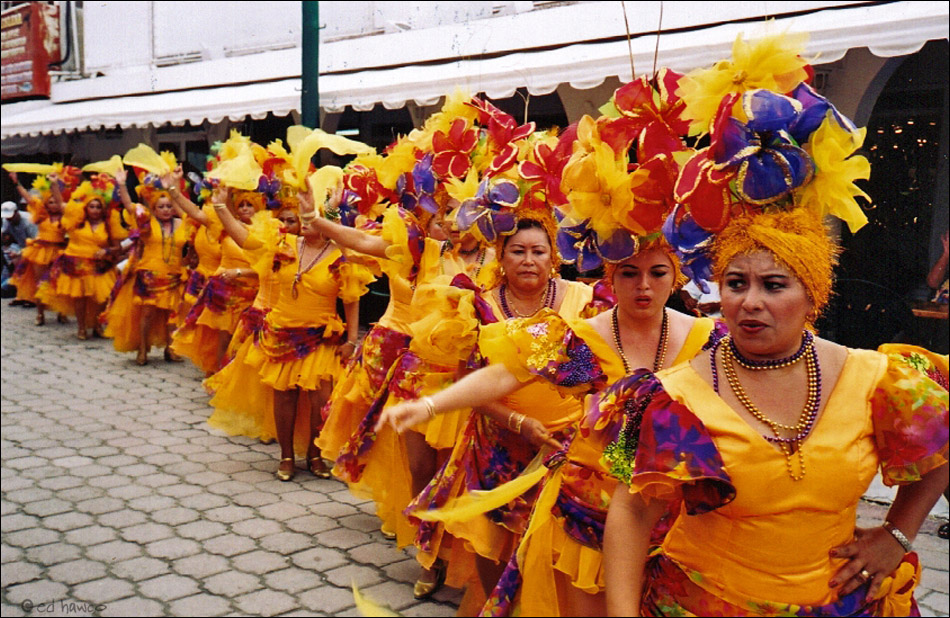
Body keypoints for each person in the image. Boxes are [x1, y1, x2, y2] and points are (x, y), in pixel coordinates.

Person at [217, 179, 372, 480]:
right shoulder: (283, 244)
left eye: (309, 215)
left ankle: (314, 455)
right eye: (301, 215)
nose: (302, 221)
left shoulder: (342, 256)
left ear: (327, 222)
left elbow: (351, 301)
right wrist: (222, 207)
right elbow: (245, 239)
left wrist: (352, 340)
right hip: (282, 332)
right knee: (284, 395)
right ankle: (286, 456)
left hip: (321, 336)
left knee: (320, 399)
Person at [101, 166, 189, 365]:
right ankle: (142, 349)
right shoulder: (147, 222)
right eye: (161, 206)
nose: (166, 210)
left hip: (174, 275)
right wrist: (122, 184)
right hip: (149, 276)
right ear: (154, 208)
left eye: (169, 206)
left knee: (172, 315)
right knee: (147, 314)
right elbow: (130, 206)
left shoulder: (182, 223)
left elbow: (187, 209)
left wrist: (175, 182)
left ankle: (171, 348)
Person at [38, 178, 120, 339]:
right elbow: (62, 205)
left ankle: (97, 325)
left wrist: (106, 250)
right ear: (86, 207)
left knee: (100, 298)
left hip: (99, 266)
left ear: (103, 209)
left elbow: (117, 247)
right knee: (79, 297)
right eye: (92, 206)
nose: (95, 210)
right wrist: (55, 184)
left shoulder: (109, 224)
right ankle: (81, 328)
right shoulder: (77, 222)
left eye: (98, 207)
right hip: (76, 263)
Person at [7, 170, 73, 324]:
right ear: (46, 204)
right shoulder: (42, 216)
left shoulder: (66, 218)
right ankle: (40, 313)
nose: (54, 205)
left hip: (59, 251)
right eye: (50, 202)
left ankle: (61, 312)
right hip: (41, 252)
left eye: (56, 202)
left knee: (59, 283)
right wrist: (17, 183)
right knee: (40, 283)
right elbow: (29, 199)